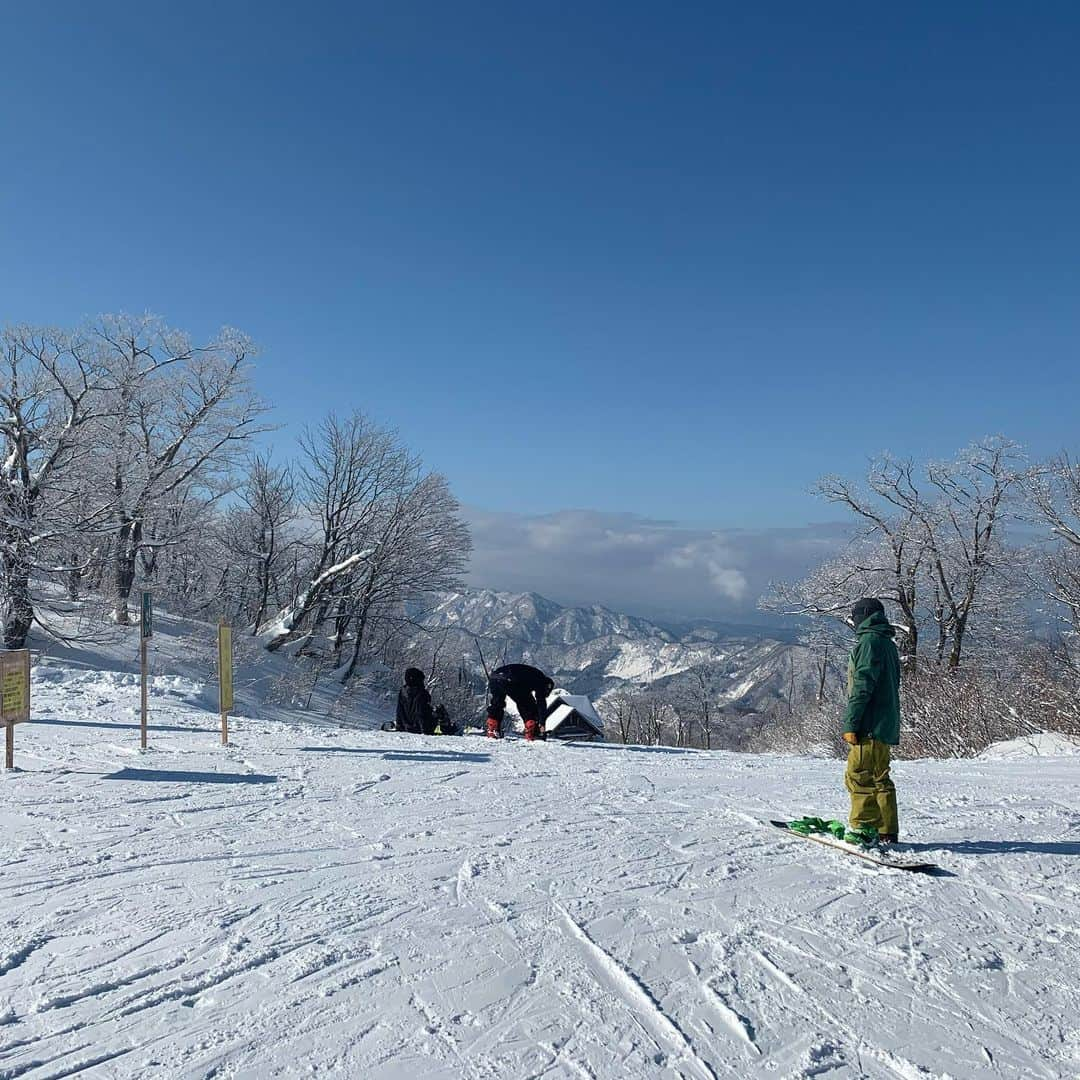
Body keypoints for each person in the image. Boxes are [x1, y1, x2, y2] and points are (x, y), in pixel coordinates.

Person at [842, 597, 902, 844]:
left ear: (864, 615)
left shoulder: (868, 643)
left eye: (855, 616)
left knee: (859, 774)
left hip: (869, 724)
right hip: (885, 722)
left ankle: (865, 830)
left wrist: (851, 723)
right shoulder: (887, 643)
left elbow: (862, 686)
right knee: (880, 776)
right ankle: (886, 829)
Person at [486, 663, 555, 741]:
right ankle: (532, 733)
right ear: (547, 687)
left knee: (497, 703)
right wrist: (542, 723)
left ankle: (492, 729)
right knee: (529, 707)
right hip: (513, 680)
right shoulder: (542, 681)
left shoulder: (535, 675)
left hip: (495, 677)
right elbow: (541, 703)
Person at [396, 667, 438, 735]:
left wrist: (399, 726)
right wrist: (424, 730)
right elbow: (421, 712)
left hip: (406, 726)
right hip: (420, 728)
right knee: (440, 710)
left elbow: (399, 711)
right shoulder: (422, 693)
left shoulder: (402, 692)